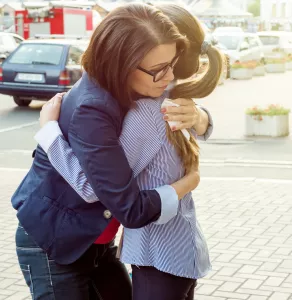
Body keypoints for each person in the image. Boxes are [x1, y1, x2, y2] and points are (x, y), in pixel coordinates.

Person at [12, 4, 215, 300]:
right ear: (122, 63)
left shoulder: (136, 86)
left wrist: (200, 117)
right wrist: (48, 134)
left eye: (172, 63)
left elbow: (173, 109)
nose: (169, 76)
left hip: (97, 241)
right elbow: (114, 200)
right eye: (160, 70)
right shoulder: (93, 109)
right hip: (56, 242)